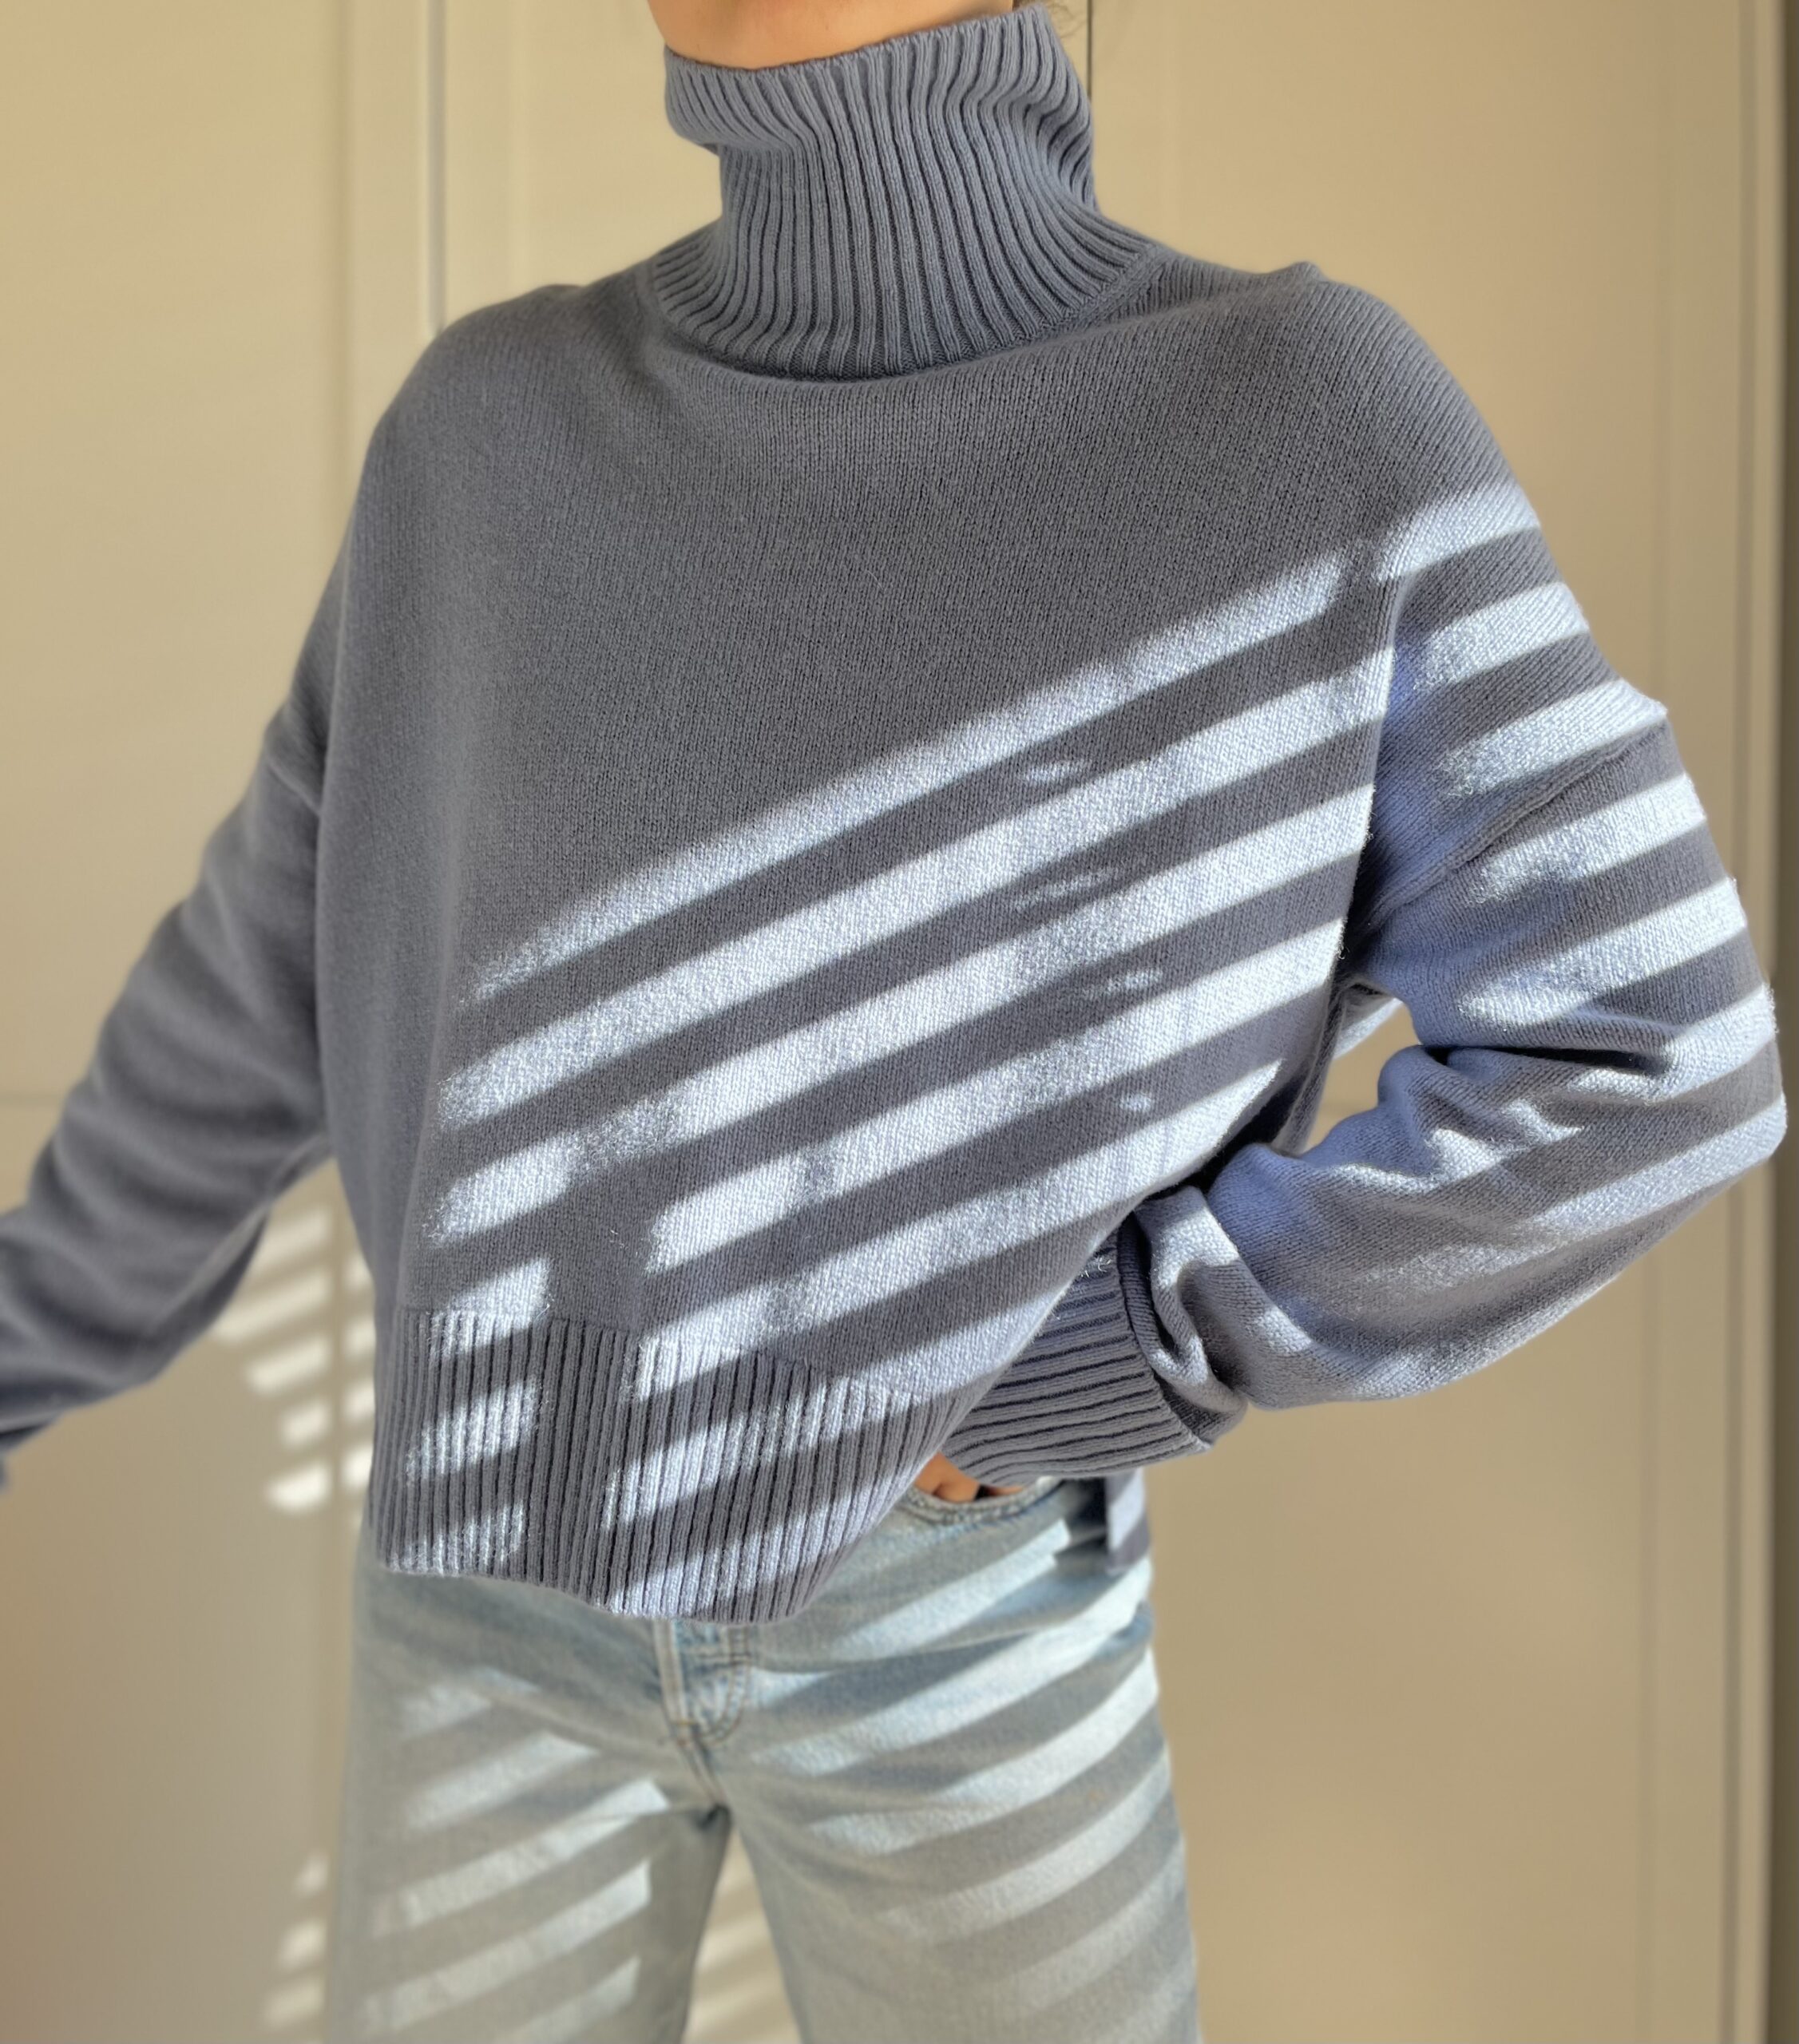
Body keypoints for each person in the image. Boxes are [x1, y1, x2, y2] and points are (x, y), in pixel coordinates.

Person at [0, 0, 1785, 2038]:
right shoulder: (479, 437)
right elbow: (254, 989)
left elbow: (1650, 1044)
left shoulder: (1297, 419)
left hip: (954, 1613)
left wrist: (1086, 1365)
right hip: (483, 1580)